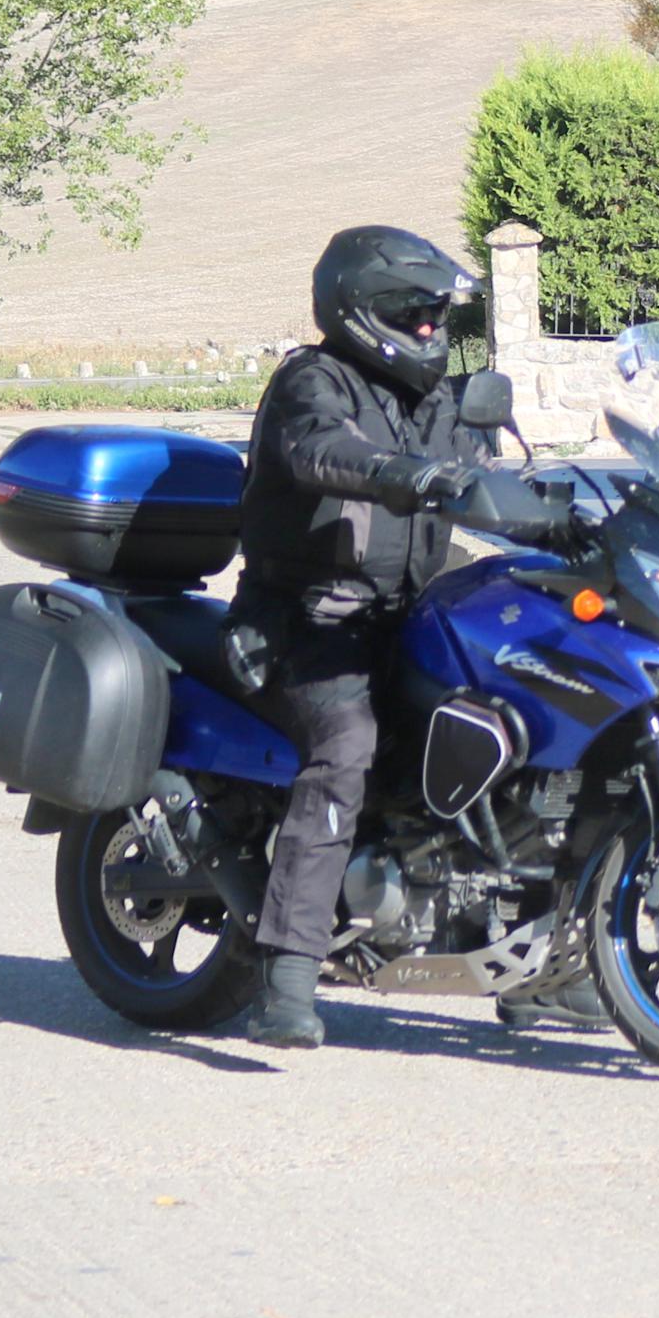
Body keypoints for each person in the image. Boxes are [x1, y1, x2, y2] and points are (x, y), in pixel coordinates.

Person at [233, 226, 495, 1050]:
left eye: (435, 314)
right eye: (413, 312)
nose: (430, 328)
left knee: (512, 712)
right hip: (303, 624)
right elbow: (323, 450)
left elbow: (485, 473)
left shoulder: (435, 398)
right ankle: (286, 974)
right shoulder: (313, 382)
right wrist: (401, 473)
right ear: (362, 311)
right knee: (347, 744)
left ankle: (545, 965)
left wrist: (570, 508)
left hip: (401, 619)